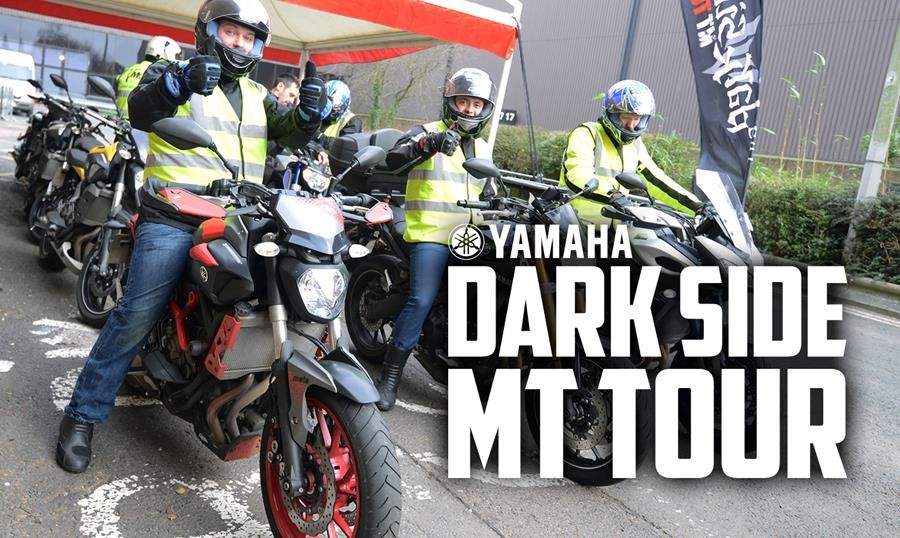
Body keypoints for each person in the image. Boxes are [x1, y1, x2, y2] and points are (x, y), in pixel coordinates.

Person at [55, 0, 327, 474]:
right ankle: (81, 416)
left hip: (239, 218)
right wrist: (176, 83)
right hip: (175, 215)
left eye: (249, 37)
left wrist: (307, 115)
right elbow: (141, 110)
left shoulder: (257, 95)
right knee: (137, 314)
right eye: (231, 32)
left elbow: (288, 133)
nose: (239, 44)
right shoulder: (174, 71)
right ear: (208, 31)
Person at [376, 67, 497, 411]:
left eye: (476, 104)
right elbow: (394, 159)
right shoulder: (427, 132)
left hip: (469, 237)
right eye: (464, 101)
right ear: (451, 102)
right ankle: (389, 378)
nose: (470, 109)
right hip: (431, 232)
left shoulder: (483, 147)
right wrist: (429, 145)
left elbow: (491, 190)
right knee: (421, 299)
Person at [559, 79, 702, 224]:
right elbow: (578, 175)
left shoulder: (635, 145)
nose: (631, 125)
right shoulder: (587, 133)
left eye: (637, 119)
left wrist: (698, 207)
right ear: (612, 114)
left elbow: (656, 179)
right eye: (626, 118)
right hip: (576, 224)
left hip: (618, 228)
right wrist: (614, 196)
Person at [115, 35, 182, 119]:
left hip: (121, 123)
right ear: (167, 52)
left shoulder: (128, 70)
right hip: (143, 124)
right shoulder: (159, 73)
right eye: (176, 55)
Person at [315, 80, 362, 151]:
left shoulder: (351, 121)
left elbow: (344, 147)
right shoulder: (316, 113)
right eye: (325, 105)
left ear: (344, 104)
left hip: (332, 158)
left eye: (334, 107)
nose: (327, 110)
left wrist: (318, 137)